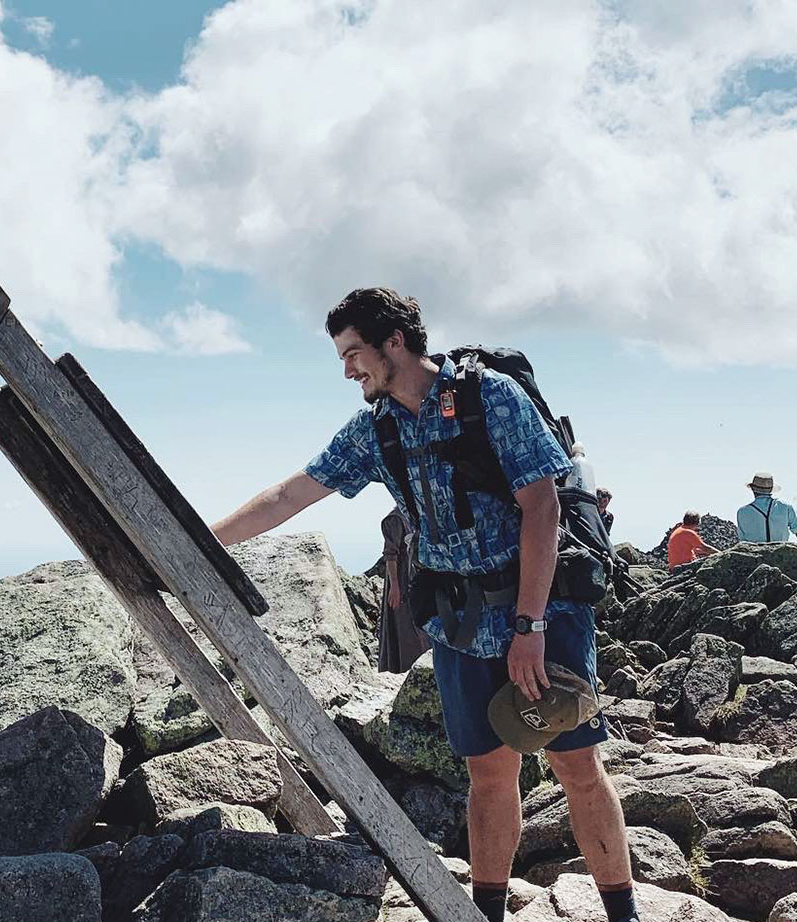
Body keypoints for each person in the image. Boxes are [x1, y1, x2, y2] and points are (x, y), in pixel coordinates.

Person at [211, 288, 638, 922]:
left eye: (354, 353)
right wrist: (200, 537)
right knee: (488, 776)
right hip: (461, 625)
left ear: (395, 343)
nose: (348, 370)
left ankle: (622, 913)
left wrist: (531, 626)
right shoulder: (376, 427)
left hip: (543, 611)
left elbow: (542, 508)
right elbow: (288, 495)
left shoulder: (489, 397)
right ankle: (486, 914)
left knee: (575, 764)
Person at [379, 506, 429, 672]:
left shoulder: (413, 513)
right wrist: (395, 587)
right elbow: (390, 556)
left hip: (414, 577)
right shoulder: (394, 519)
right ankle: (405, 667)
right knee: (405, 625)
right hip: (400, 580)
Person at [736, 473, 797, 544]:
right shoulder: (785, 507)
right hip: (781, 555)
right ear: (771, 490)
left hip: (754, 556)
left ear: (753, 489)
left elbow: (743, 541)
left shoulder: (742, 512)